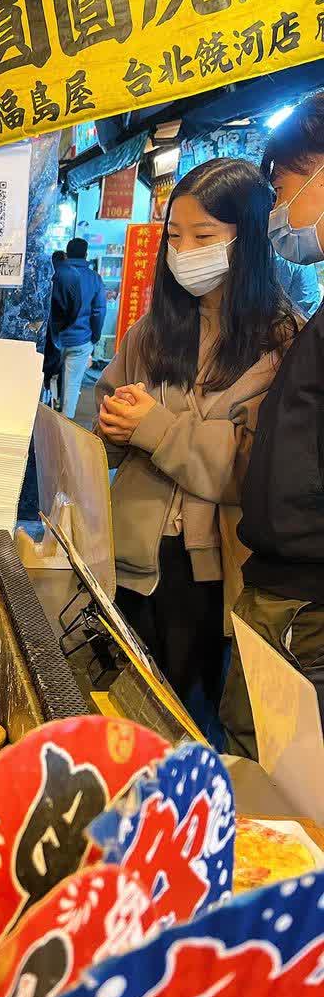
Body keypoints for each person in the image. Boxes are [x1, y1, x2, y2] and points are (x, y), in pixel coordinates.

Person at [94, 158, 295, 724]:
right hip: (129, 560)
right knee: (118, 716)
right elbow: (105, 426)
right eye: (175, 237)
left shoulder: (283, 344)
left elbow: (256, 472)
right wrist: (110, 428)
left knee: (185, 725)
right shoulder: (153, 330)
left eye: (203, 236)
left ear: (248, 240)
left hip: (210, 577)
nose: (185, 251)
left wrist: (155, 429)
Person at [221, 91, 324, 757]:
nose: (281, 211)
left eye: (285, 184)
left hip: (305, 607)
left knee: (274, 800)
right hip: (284, 593)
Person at [54, 237, 106, 420]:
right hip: (81, 340)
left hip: (55, 339)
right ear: (86, 255)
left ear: (67, 253)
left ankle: (44, 414)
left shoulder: (56, 273)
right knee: (72, 383)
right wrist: (95, 336)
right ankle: (64, 424)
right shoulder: (94, 278)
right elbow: (98, 310)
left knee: (48, 379)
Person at [43, 250, 77, 406]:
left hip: (41, 329)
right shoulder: (73, 274)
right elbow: (75, 307)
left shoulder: (45, 270)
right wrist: (64, 326)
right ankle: (54, 405)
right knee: (58, 373)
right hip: (59, 330)